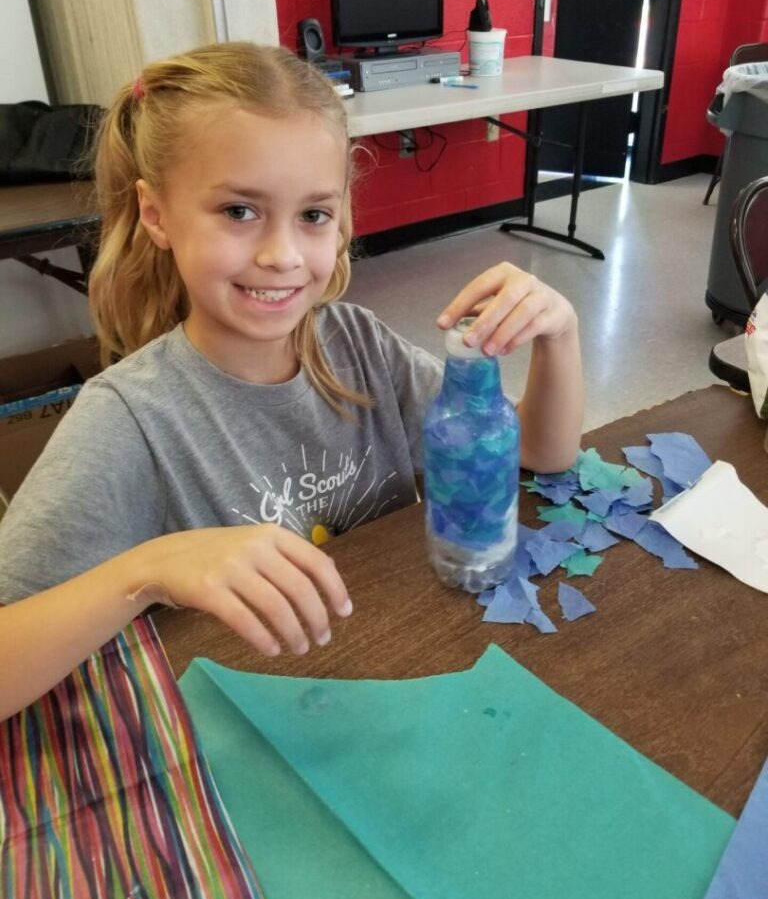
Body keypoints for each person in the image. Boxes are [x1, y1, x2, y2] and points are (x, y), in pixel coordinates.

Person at [0, 42, 583, 721]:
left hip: (404, 680)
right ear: (157, 215)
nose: (280, 256)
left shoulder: (359, 345)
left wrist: (560, 337)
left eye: (312, 216)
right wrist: (149, 570)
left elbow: (543, 455)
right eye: (239, 212)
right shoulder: (128, 420)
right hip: (260, 731)